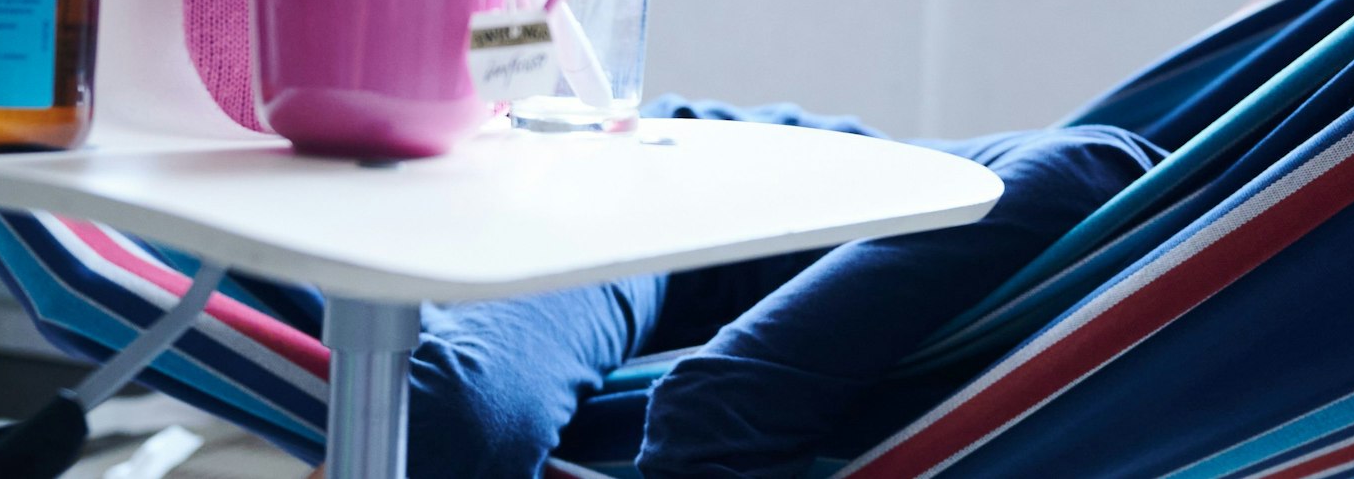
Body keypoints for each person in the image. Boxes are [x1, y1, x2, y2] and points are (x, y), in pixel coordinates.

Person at [293, 99, 1164, 478]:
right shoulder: (1097, 174)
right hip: (633, 192)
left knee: (461, 418)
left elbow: (721, 408)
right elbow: (719, 413)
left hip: (677, 221)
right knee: (460, 418)